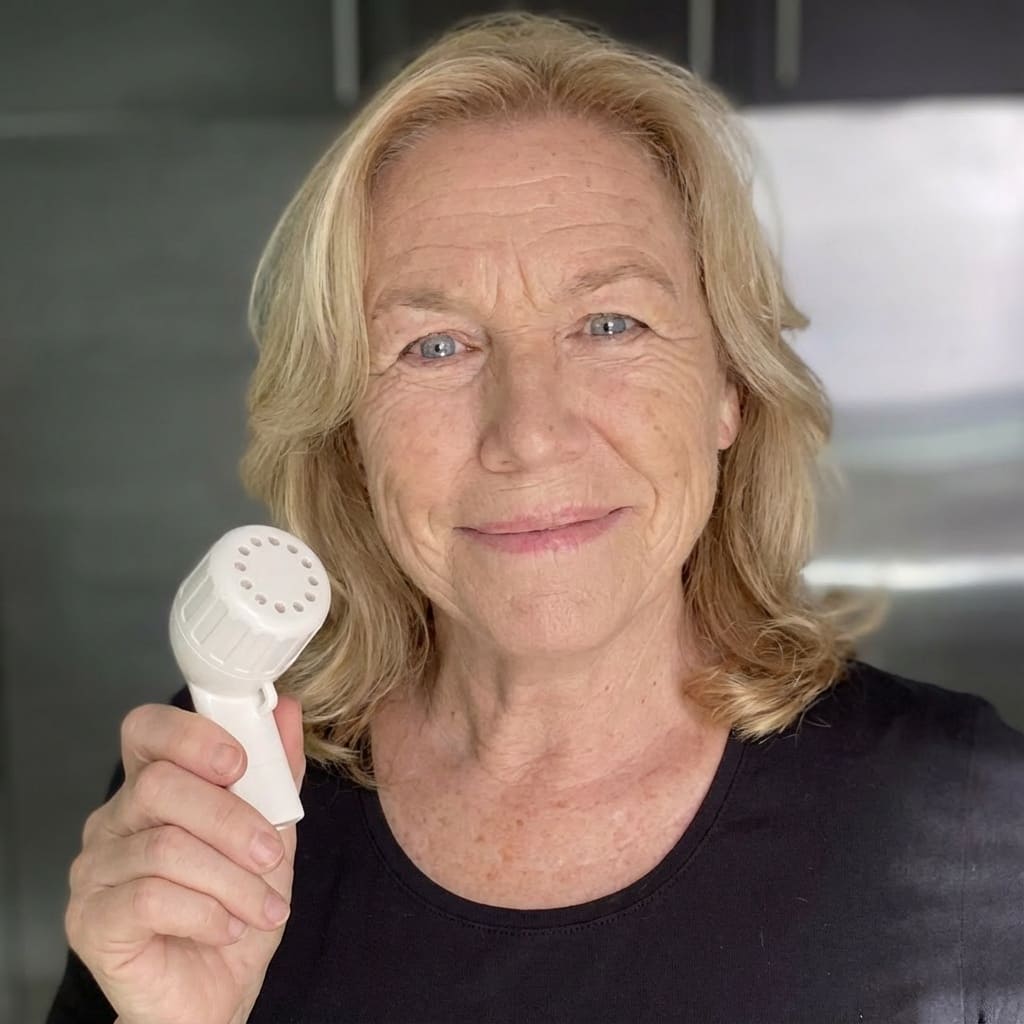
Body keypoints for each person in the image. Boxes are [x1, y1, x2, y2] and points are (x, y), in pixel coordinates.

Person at [48, 12, 1024, 1024]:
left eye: (609, 324)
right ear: (349, 429)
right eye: (434, 345)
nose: (530, 432)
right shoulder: (221, 791)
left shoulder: (967, 820)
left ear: (728, 387)